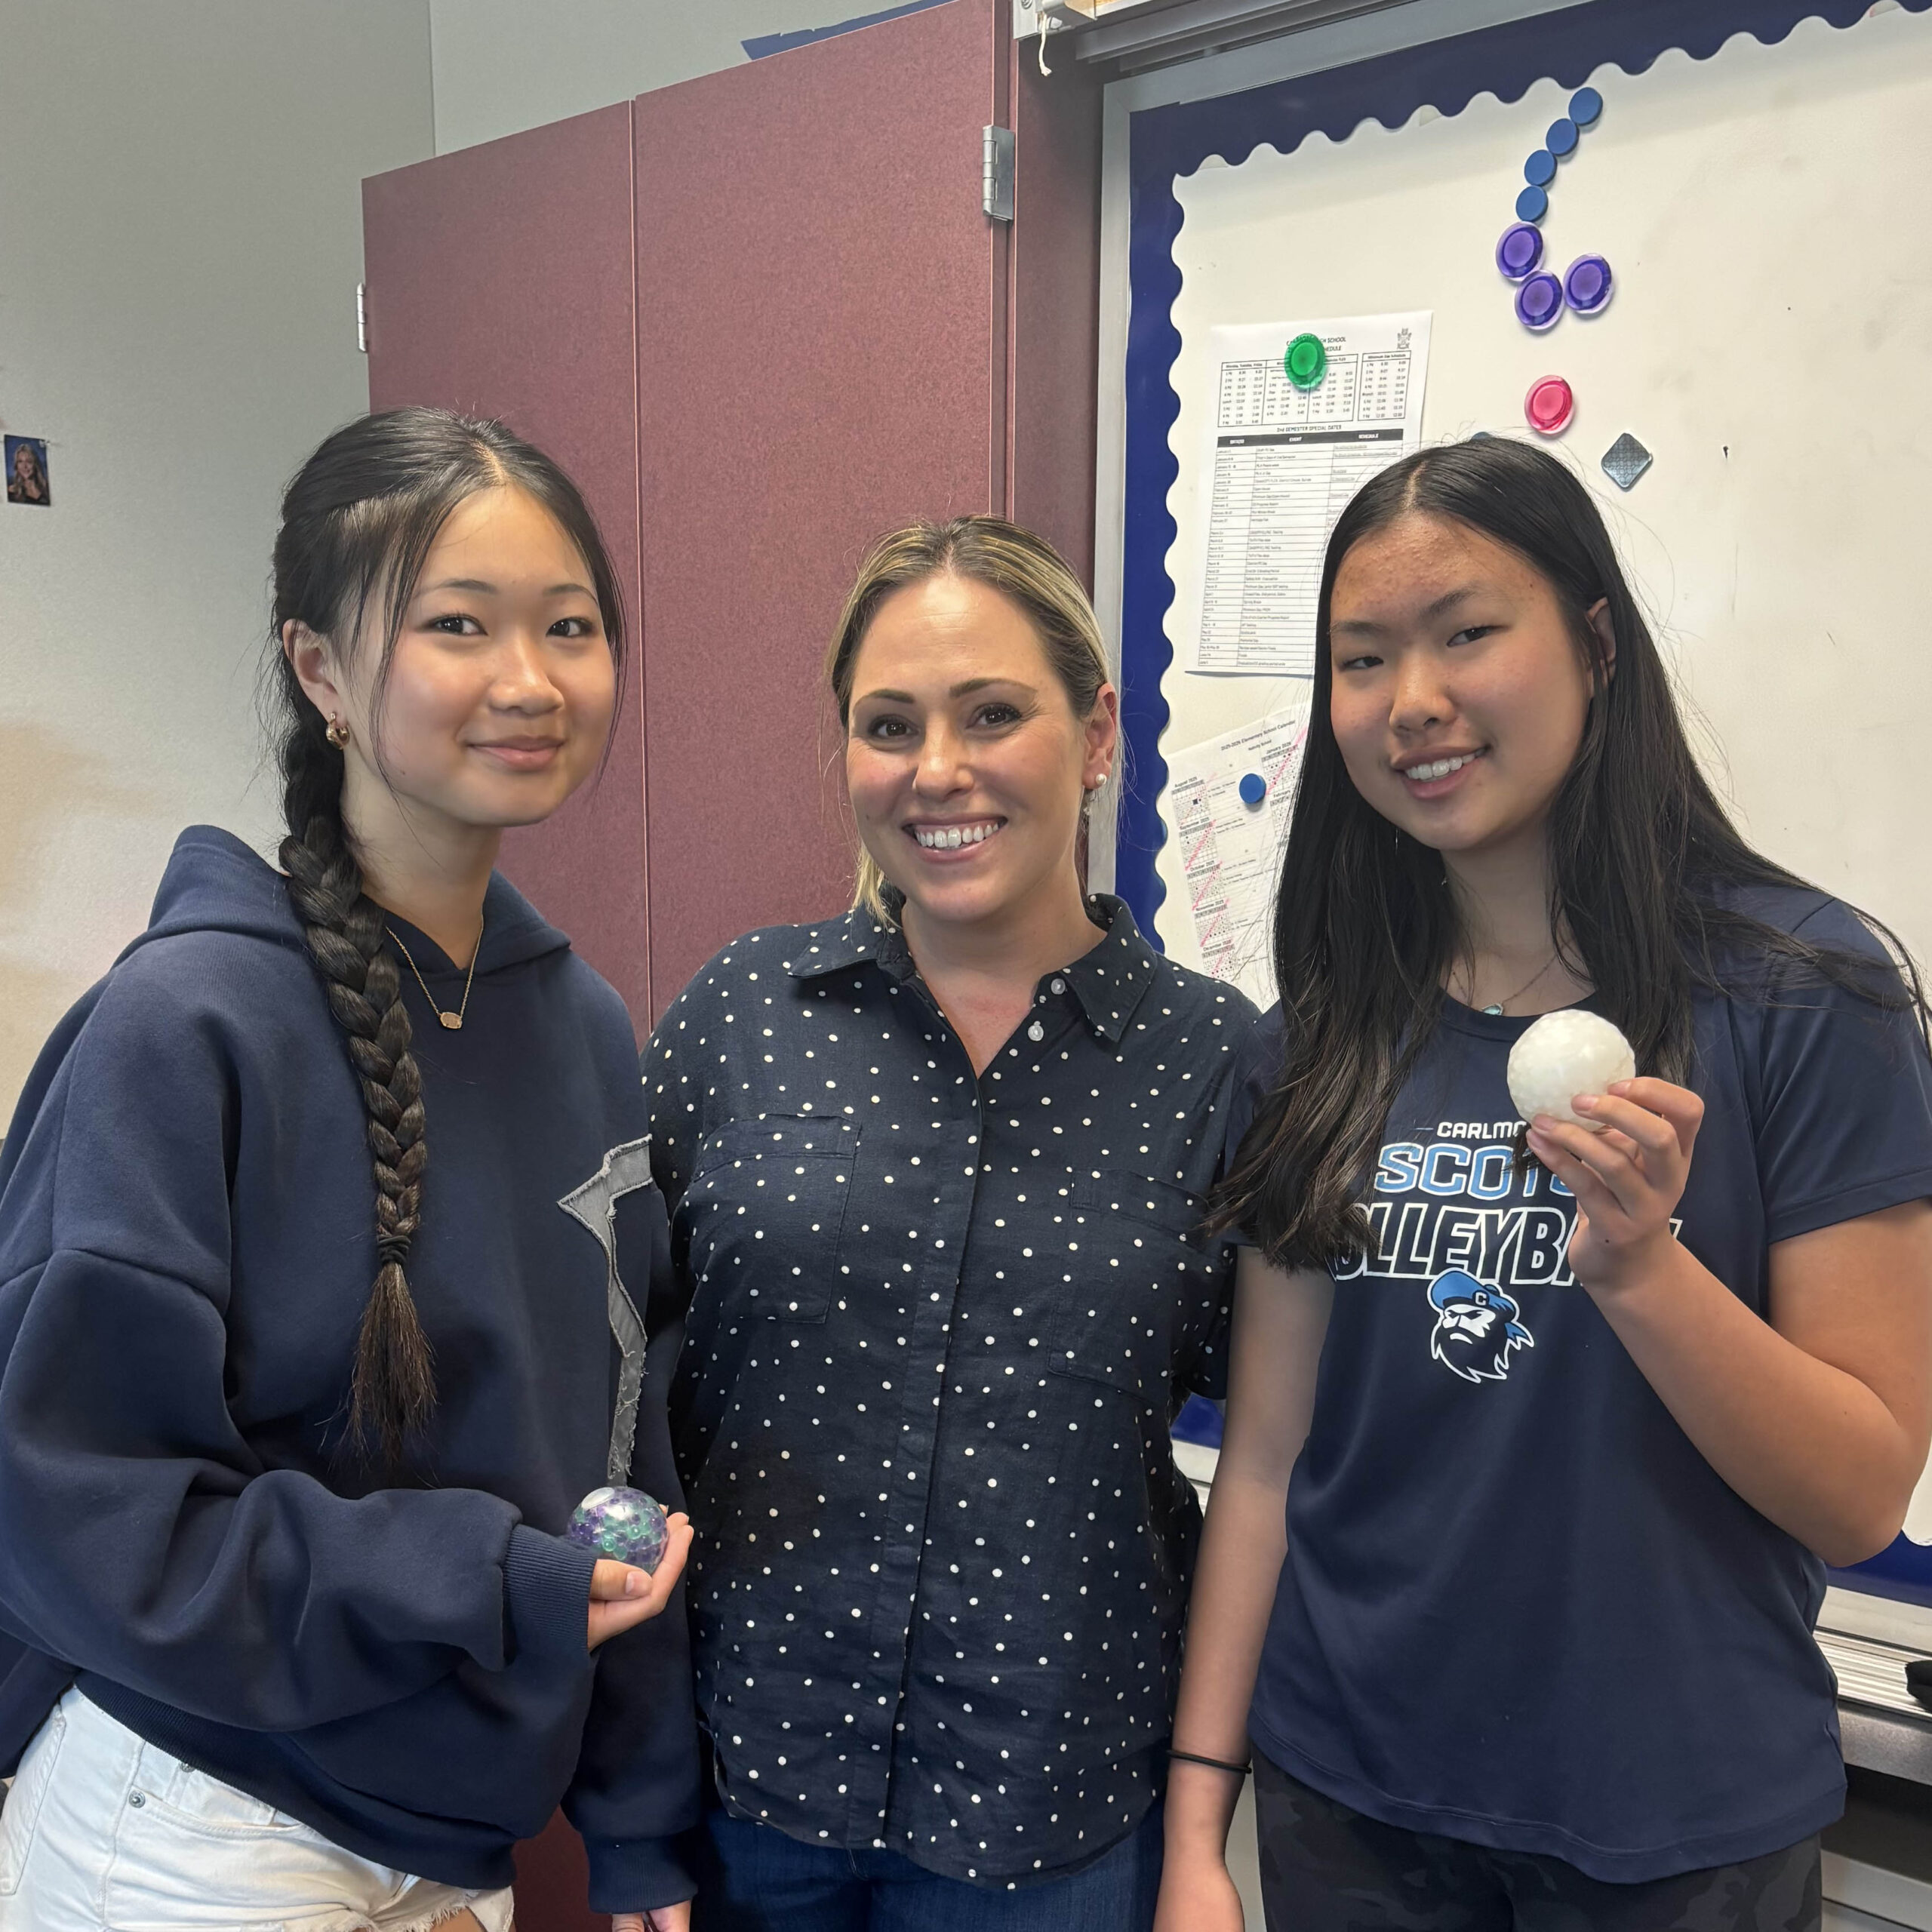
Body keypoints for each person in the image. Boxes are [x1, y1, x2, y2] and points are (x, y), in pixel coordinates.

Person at [1155, 437, 1932, 1932]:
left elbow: (1853, 1492)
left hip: (1670, 1828)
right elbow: (1263, 1458)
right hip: (1350, 1805)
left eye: (1464, 632)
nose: (1412, 701)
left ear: (1588, 639)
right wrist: (1201, 1822)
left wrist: (1642, 1269)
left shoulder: (1803, 995)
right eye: (1361, 657)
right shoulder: (1317, 1037)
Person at [0, 408, 700, 1931]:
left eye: (569, 626)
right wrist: (477, 1577)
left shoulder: (583, 1029)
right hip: (201, 1812)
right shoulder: (178, 1025)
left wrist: (640, 1816)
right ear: (318, 668)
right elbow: (83, 1513)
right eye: (460, 624)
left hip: (456, 1835)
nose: (529, 679)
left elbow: (616, 1454)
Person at [642, 516, 1256, 1931]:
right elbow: (618, 1396)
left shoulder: (1215, 1063)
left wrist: (1204, 1834)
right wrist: (630, 1799)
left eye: (993, 715)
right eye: (889, 725)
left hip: (1056, 1813)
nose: (938, 771)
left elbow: (1280, 1457)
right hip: (752, 1793)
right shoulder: (740, 1020)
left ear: (1097, 734)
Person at [7, 438, 48, 505]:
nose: (24, 466)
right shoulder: (10, 491)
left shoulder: (46, 489)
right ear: (16, 466)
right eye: (20, 462)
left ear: (35, 464)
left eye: (29, 461)